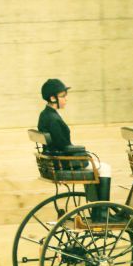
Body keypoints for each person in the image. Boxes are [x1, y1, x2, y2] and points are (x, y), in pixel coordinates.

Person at [37, 78, 113, 210]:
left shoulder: (45, 115)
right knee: (104, 168)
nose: (66, 99)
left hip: (55, 161)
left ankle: (97, 210)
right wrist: (81, 150)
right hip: (64, 162)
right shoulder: (54, 119)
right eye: (63, 96)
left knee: (94, 168)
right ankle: (102, 213)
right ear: (52, 98)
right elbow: (64, 146)